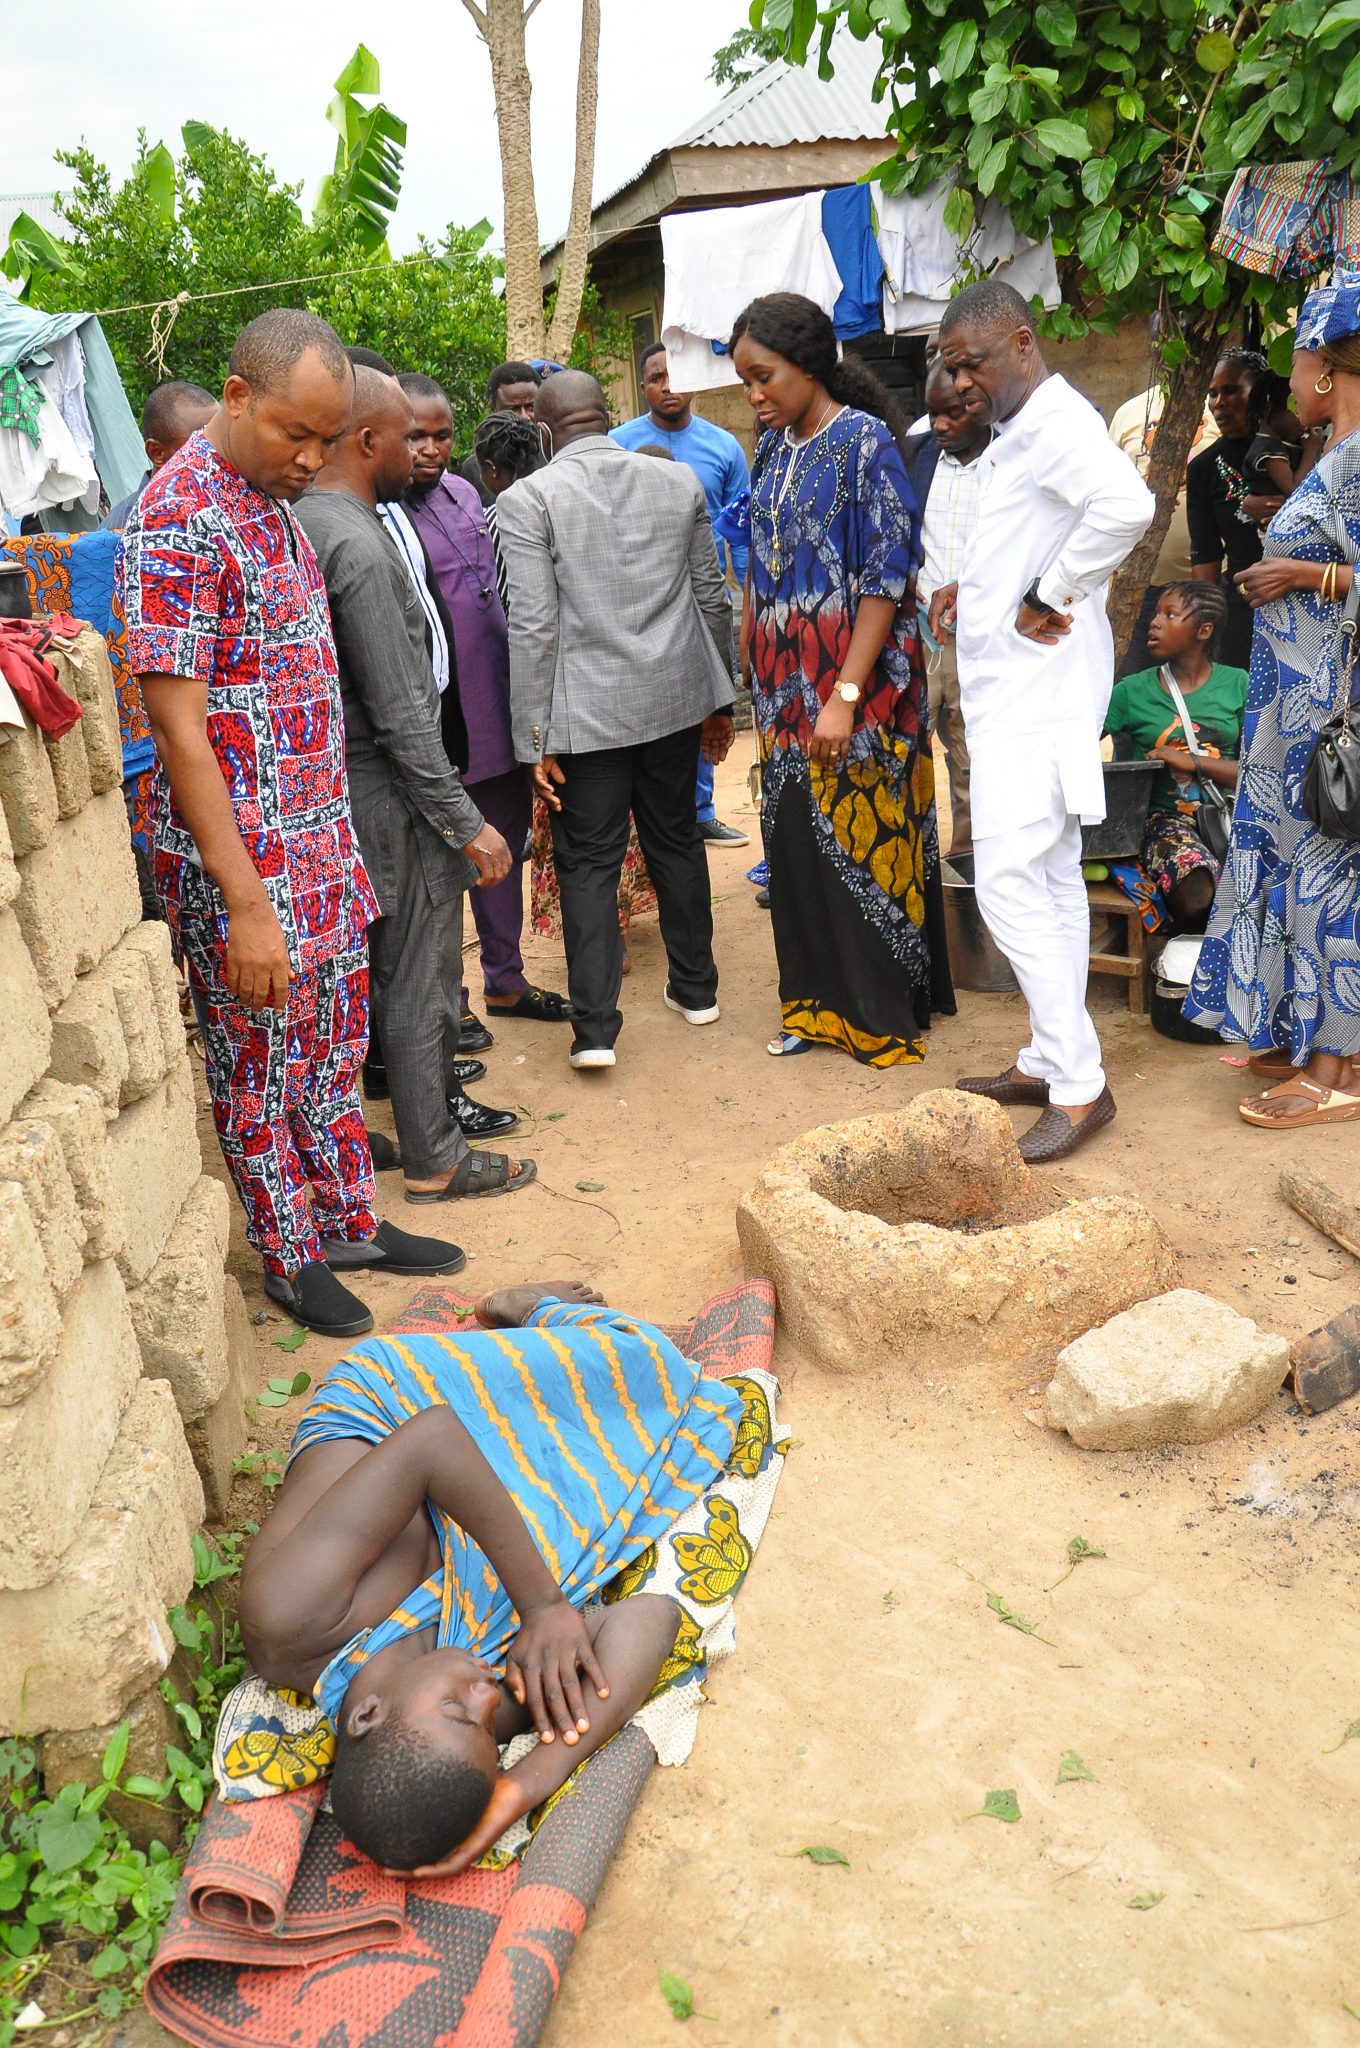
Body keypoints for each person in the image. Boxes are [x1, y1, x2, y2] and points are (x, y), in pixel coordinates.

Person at [117, 310, 466, 1338]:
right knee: (258, 1062)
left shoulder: (271, 499)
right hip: (246, 864)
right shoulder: (177, 517)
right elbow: (179, 730)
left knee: (327, 1048)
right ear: (235, 398)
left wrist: (333, 846)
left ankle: (349, 1218)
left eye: (326, 438)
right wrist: (242, 901)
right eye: (293, 434)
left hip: (318, 839)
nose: (312, 458)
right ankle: (289, 1251)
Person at [237, 1279, 746, 1873]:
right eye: (489, 1730)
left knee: (638, 1361)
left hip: (400, 1409)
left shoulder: (289, 1618)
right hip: (471, 1491)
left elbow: (430, 1440)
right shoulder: (465, 1717)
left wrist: (544, 1607)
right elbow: (650, 1617)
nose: (486, 1693)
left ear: (367, 1714)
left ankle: (523, 1309)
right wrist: (530, 1781)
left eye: (460, 1709)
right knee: (660, 1403)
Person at [294, 367, 537, 1204]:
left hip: (358, 782)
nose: (425, 450)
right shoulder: (355, 543)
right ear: (370, 443)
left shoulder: (321, 523)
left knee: (394, 970)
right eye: (407, 435)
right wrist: (465, 821)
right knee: (418, 975)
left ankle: (409, 1139)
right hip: (390, 789)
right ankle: (436, 1156)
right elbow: (401, 713)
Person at [931, 279, 1154, 1161]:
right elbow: (1028, 531)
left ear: (1022, 343)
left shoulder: (1056, 422)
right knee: (1051, 877)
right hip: (1020, 695)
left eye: (972, 364)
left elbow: (1127, 508)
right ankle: (1047, 1054)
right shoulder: (1023, 429)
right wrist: (979, 590)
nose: (961, 384)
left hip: (1037, 695)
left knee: (1009, 883)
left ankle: (1078, 1085)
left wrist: (1049, 593)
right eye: (952, 369)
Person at [729, 292, 954, 1064]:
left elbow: (887, 578)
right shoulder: (772, 450)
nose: (755, 396)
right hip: (782, 689)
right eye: (747, 382)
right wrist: (752, 648)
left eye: (764, 378)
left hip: (859, 687)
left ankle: (876, 1015)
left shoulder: (864, 444)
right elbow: (761, 561)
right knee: (795, 843)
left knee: (866, 838)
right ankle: (813, 1008)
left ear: (808, 364)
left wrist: (845, 696)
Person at [497, 370, 736, 1071]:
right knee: (677, 843)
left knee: (588, 865)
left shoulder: (527, 498)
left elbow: (533, 626)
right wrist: (718, 703)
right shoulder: (678, 483)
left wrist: (532, 740)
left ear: (544, 432)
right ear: (609, 417)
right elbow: (712, 599)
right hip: (672, 703)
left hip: (583, 719)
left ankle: (596, 1030)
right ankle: (697, 990)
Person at [1185, 273, 1360, 1129]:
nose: (1286, 382)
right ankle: (1306, 1039)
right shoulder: (1335, 451)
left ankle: (1338, 1073)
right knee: (1303, 870)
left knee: (1332, 877)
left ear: (1329, 367)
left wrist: (1304, 572)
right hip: (1293, 708)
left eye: (1296, 361)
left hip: (1328, 711)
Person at [398, 372, 570, 1028]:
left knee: (505, 851)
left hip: (498, 710)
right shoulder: (383, 514)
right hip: (442, 726)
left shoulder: (469, 493)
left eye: (440, 436)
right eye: (415, 436)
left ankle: (506, 981)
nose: (429, 450)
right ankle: (453, 1005)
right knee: (443, 871)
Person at [611, 341, 751, 849]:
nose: (667, 386)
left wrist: (746, 595)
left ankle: (702, 809)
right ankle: (644, 820)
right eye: (655, 377)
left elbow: (740, 529)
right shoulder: (618, 443)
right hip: (642, 597)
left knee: (709, 698)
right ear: (643, 384)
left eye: (675, 375)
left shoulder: (724, 447)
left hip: (707, 595)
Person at [1102, 583, 1246, 930]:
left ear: (1203, 630)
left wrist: (1194, 762)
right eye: (1156, 613)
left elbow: (1262, 770)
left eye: (1170, 615)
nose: (1155, 622)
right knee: (1197, 891)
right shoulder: (1131, 692)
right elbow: (1076, 742)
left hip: (1231, 816)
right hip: (1162, 820)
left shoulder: (1238, 684)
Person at [905, 358, 991, 856]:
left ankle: (967, 862)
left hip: (979, 636)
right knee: (909, 748)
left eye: (951, 414)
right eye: (933, 413)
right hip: (919, 630)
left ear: (978, 408)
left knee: (969, 756)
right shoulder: (916, 454)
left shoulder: (1007, 463)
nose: (939, 425)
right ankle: (913, 861)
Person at [1109, 377, 1219, 677]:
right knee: (1133, 692)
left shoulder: (1219, 405)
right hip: (1141, 592)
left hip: (1207, 590)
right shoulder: (1129, 413)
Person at [1187, 349, 1275, 669]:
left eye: (1231, 390)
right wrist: (1202, 636)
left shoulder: (1297, 451)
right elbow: (1205, 557)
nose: (1218, 402)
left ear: (1262, 391)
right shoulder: (1203, 468)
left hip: (1305, 598)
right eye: (1212, 393)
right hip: (1242, 614)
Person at [100, 381, 217, 528]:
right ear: (157, 453)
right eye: (200, 446)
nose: (216, 454)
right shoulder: (125, 530)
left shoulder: (222, 499)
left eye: (220, 441)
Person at [460, 362, 542, 505]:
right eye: (513, 409)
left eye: (530, 407)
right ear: (493, 409)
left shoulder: (555, 457)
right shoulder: (475, 468)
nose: (524, 416)